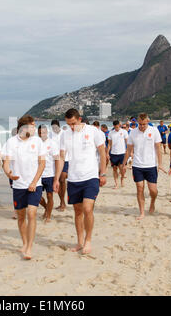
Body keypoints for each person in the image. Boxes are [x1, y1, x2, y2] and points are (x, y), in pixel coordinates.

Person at [53, 109, 107, 255]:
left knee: (88, 209)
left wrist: (103, 173)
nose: (71, 127)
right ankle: (79, 241)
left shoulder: (93, 131)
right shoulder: (65, 135)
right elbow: (62, 157)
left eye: (73, 123)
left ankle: (88, 241)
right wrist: (57, 179)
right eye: (68, 124)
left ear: (80, 119)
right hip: (73, 178)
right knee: (77, 212)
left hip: (90, 176)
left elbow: (102, 152)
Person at [2, 115, 46, 260]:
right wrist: (9, 173)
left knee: (31, 213)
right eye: (32, 125)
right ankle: (24, 242)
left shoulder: (38, 141)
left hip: (35, 184)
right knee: (21, 216)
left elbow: (42, 163)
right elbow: (6, 162)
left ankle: (29, 247)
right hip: (18, 185)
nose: (35, 128)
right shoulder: (11, 142)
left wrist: (34, 182)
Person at [121, 113, 165, 220]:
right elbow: (129, 150)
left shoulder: (154, 131)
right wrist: (124, 163)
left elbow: (158, 149)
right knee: (140, 189)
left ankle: (152, 202)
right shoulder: (133, 133)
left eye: (143, 124)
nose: (141, 126)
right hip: (137, 165)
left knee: (153, 190)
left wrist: (160, 164)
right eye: (139, 124)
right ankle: (141, 212)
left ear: (148, 122)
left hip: (151, 165)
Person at [38, 125, 60, 222]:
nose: (41, 134)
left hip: (50, 174)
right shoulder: (36, 143)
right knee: (37, 196)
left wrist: (56, 177)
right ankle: (47, 208)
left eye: (42, 132)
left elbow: (57, 160)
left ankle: (48, 216)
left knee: (49, 195)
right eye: (39, 133)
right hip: (38, 174)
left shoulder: (52, 143)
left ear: (46, 132)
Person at [50, 119, 67, 211]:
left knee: (62, 179)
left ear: (59, 126)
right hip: (54, 160)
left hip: (65, 159)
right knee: (57, 181)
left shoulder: (64, 133)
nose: (54, 129)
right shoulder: (50, 134)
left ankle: (63, 203)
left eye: (55, 127)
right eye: (52, 127)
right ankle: (61, 202)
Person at [108, 120, 129, 189]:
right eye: (115, 127)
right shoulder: (111, 133)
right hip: (113, 153)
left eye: (118, 127)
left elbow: (127, 142)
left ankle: (122, 179)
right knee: (114, 169)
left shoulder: (124, 132)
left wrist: (128, 151)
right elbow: (109, 144)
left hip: (122, 153)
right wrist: (107, 153)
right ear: (114, 126)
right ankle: (116, 183)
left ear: (119, 125)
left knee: (121, 169)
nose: (117, 128)